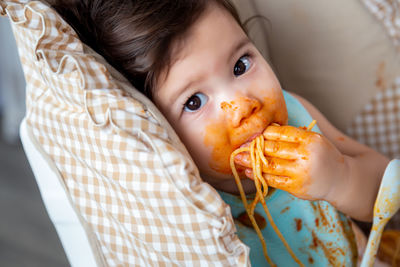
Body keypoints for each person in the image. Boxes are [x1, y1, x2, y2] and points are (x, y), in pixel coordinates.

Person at [47, 0, 390, 265]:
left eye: (241, 64)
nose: (242, 105)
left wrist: (340, 178)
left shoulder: (294, 113)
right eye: (194, 102)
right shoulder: (198, 213)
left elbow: (386, 186)